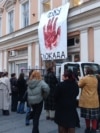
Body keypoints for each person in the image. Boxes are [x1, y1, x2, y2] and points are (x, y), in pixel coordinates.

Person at [78, 67, 99, 133]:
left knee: (87, 117)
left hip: (86, 100)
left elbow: (79, 85)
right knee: (94, 117)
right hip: (94, 100)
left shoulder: (84, 78)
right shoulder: (95, 79)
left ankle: (87, 128)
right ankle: (94, 129)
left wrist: (80, 79)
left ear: (86, 71)